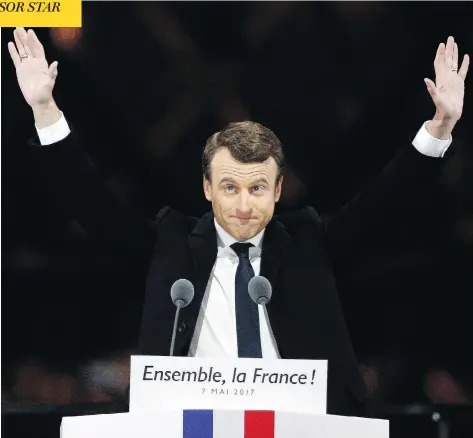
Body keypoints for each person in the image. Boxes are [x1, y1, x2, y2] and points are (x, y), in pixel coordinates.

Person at [7, 27, 469, 415]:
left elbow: (386, 202)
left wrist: (441, 126)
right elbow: (93, 205)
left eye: (257, 188)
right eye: (230, 187)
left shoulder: (308, 240)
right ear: (207, 188)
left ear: (279, 190)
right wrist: (45, 112)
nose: (244, 204)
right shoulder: (170, 242)